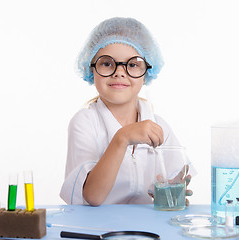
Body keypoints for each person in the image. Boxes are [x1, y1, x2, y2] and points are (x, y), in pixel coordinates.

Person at [60, 17, 194, 206]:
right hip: (96, 229)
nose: (119, 72)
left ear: (147, 72)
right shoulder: (84, 122)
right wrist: (122, 138)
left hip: (146, 230)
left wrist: (173, 189)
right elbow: (92, 196)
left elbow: (177, 174)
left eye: (132, 64)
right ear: (91, 70)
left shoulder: (158, 125)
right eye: (107, 63)